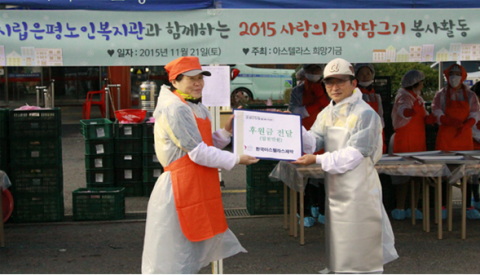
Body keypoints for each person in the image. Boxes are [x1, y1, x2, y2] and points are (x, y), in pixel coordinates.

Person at [141, 56, 258, 274]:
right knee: (176, 255)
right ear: (175, 82)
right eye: (191, 79)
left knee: (191, 252)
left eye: (200, 78)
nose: (198, 83)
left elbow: (204, 143)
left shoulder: (196, 106)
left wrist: (226, 132)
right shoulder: (175, 109)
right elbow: (198, 152)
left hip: (198, 184)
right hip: (178, 188)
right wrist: (237, 158)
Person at [293, 58, 398, 273]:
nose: (335, 87)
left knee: (362, 250)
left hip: (360, 192)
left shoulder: (365, 114)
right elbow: (313, 141)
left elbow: (357, 154)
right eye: (329, 82)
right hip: (335, 191)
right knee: (339, 248)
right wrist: (291, 130)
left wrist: (318, 160)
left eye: (341, 81)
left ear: (353, 83)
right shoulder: (327, 113)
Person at [432, 64, 480, 219]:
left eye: (457, 74)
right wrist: (446, 120)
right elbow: (436, 110)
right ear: (447, 75)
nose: (454, 77)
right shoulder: (441, 94)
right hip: (446, 137)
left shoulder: (470, 95)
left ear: (463, 76)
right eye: (451, 73)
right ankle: (443, 206)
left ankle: (467, 206)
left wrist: (468, 124)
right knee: (444, 174)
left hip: (464, 138)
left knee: (465, 173)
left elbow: (475, 112)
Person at [390, 70, 436, 220]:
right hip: (405, 141)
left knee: (417, 176)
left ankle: (414, 207)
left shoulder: (418, 98)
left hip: (418, 141)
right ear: (415, 83)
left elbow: (423, 116)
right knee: (403, 176)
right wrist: (413, 110)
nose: (423, 84)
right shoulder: (403, 96)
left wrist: (430, 119)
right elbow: (404, 112)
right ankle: (400, 208)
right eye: (421, 82)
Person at [354, 63, 386, 153]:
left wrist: (381, 139)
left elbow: (381, 119)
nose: (365, 76)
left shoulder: (376, 96)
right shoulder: (352, 94)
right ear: (356, 76)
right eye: (362, 74)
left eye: (368, 73)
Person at [288, 64, 330, 131]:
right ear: (305, 70)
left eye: (316, 69)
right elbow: (294, 113)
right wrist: (318, 104)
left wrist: (322, 97)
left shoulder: (329, 87)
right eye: (310, 69)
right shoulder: (297, 91)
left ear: (322, 70)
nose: (313, 72)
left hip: (325, 131)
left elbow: (334, 111)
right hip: (303, 132)